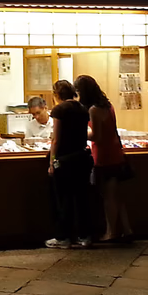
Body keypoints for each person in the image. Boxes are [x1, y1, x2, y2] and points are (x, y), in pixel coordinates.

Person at [74, 74, 134, 243]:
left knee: (108, 196)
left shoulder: (93, 110)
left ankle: (111, 232)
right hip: (116, 152)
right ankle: (127, 229)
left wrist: (80, 132)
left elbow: (97, 136)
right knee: (117, 195)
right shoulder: (108, 106)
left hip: (103, 155)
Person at [45, 80, 94, 249]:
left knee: (63, 199)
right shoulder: (82, 108)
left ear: (56, 94)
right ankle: (84, 236)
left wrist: (52, 161)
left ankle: (63, 237)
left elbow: (56, 138)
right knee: (81, 198)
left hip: (65, 159)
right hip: (81, 157)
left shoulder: (59, 110)